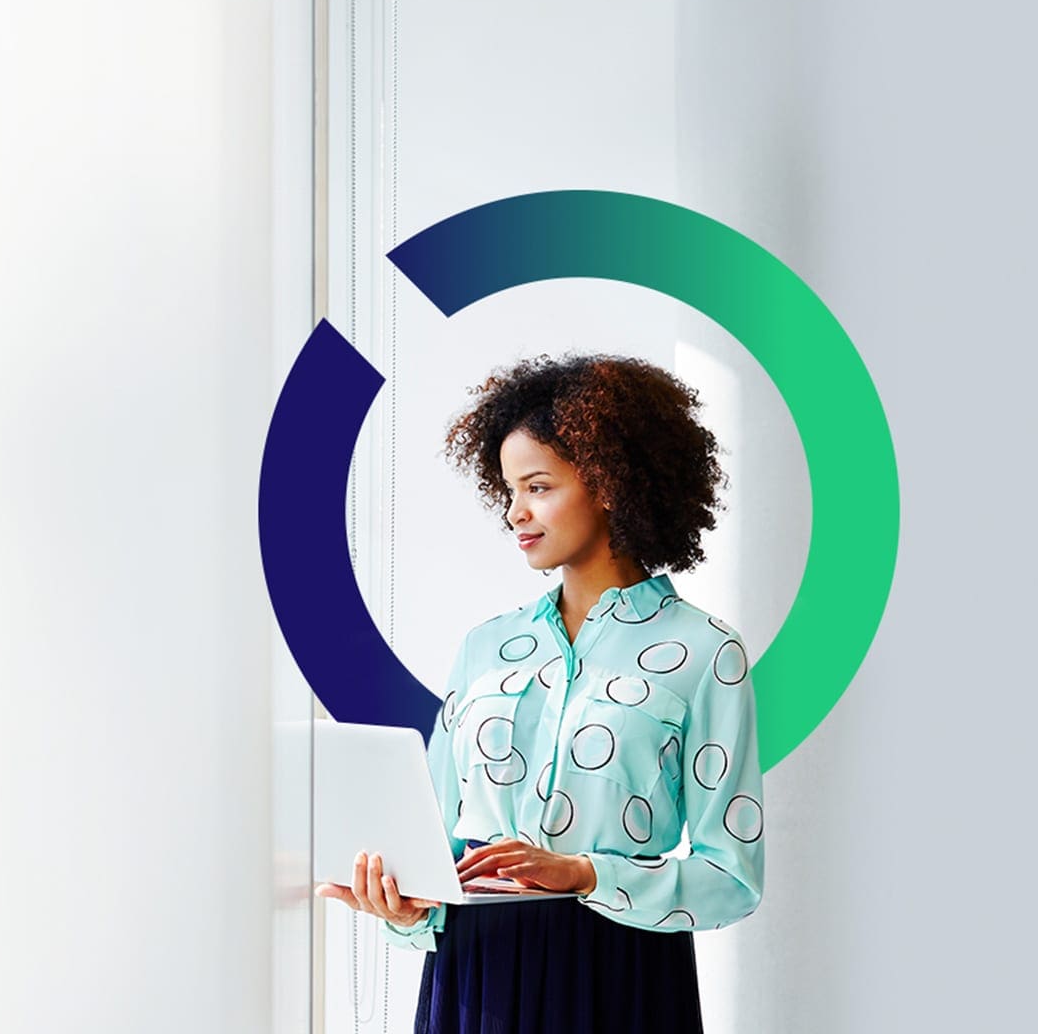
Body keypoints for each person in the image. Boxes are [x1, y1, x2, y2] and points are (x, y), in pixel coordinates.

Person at [314, 353, 765, 1033]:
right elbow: (431, 844)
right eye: (508, 490)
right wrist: (406, 910)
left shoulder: (706, 654)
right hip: (475, 973)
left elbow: (732, 878)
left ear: (611, 483)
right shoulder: (484, 647)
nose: (515, 512)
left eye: (538, 486)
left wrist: (585, 874)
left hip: (619, 975)